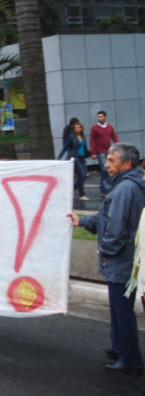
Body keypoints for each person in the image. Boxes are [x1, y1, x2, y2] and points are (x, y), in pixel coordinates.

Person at [67, 143, 145, 376]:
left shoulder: (124, 190)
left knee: (122, 312)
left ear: (127, 164)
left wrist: (106, 252)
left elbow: (116, 228)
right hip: (127, 258)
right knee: (120, 309)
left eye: (112, 161)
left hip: (121, 259)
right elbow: (104, 219)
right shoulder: (129, 186)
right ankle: (119, 348)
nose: (106, 164)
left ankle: (130, 359)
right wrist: (82, 221)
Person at [58, 121, 91, 200]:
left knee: (84, 176)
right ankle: (82, 194)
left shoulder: (83, 137)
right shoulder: (71, 136)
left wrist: (91, 154)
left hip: (82, 158)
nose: (77, 129)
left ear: (81, 128)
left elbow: (85, 148)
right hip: (74, 157)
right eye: (76, 127)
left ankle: (73, 187)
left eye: (79, 127)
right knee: (81, 174)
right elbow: (65, 147)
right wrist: (59, 158)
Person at [90, 111, 119, 194]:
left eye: (101, 116)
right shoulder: (94, 128)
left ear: (105, 117)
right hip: (100, 151)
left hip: (108, 150)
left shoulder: (109, 127)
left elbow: (114, 137)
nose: (99, 118)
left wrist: (118, 146)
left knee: (109, 168)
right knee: (105, 168)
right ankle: (105, 186)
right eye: (98, 117)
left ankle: (104, 185)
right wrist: (93, 152)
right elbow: (92, 140)